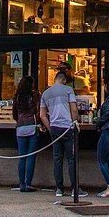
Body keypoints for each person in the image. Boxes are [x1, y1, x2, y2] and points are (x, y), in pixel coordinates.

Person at [39, 70, 87, 198]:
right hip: (67, 127)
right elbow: (74, 109)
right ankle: (74, 189)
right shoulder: (68, 90)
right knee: (71, 158)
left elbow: (42, 115)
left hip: (54, 128)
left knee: (57, 159)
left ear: (55, 79)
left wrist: (50, 128)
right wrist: (75, 121)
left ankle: (59, 189)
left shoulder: (46, 93)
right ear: (64, 80)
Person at [12, 76, 41, 192]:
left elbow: (14, 114)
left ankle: (21, 184)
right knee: (31, 156)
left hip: (20, 127)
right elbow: (38, 110)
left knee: (22, 157)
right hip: (32, 126)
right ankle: (28, 183)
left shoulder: (17, 97)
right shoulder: (34, 96)